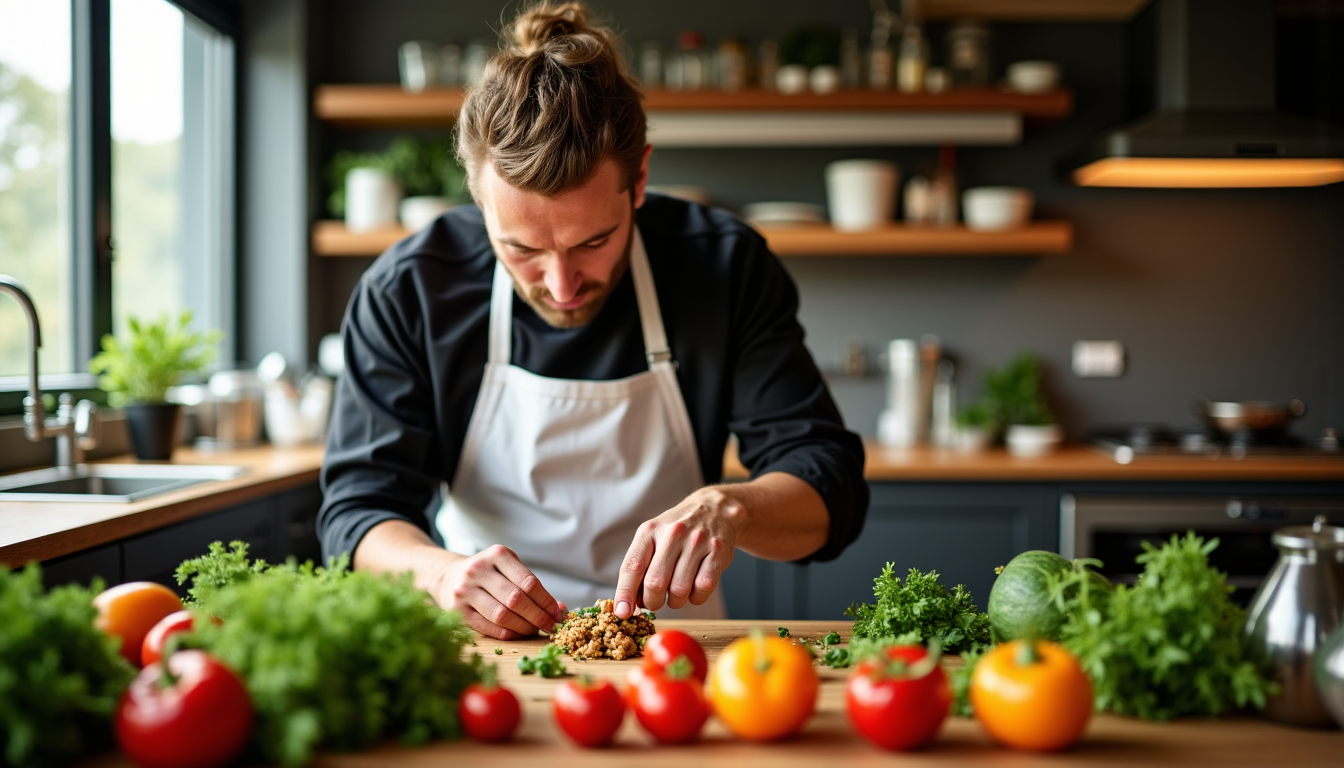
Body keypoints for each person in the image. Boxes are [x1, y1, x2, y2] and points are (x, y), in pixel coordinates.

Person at [318, 1, 867, 640]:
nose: (561, 285)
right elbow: (358, 513)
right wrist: (440, 575)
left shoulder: (723, 267)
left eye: (593, 241)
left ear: (640, 179)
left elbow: (828, 487)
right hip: (481, 648)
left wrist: (731, 506)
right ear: (478, 197)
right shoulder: (410, 289)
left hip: (674, 651)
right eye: (521, 248)